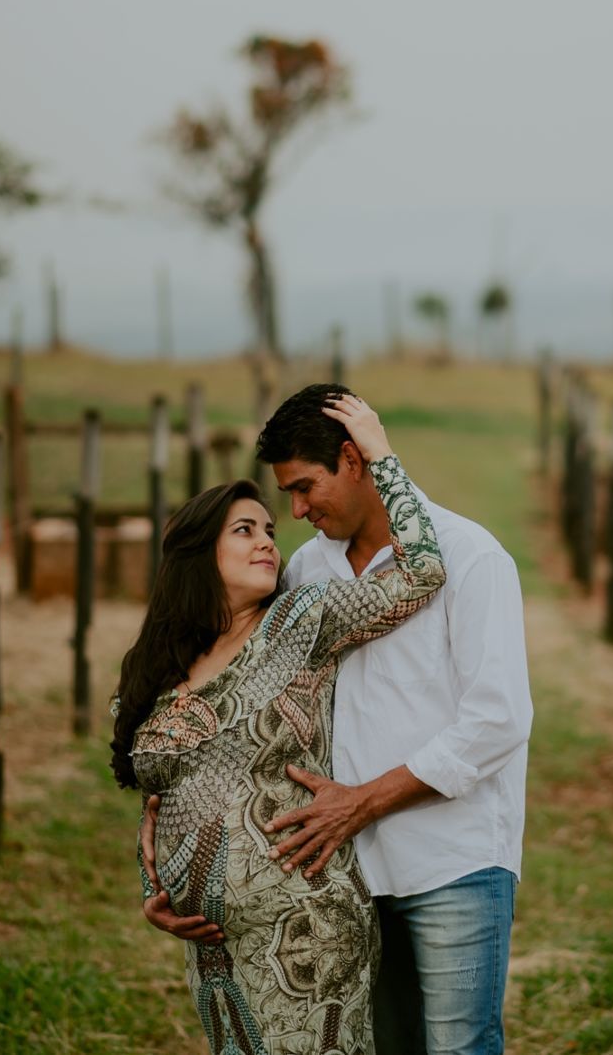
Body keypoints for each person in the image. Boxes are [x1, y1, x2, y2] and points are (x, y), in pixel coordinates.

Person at [112, 394, 443, 1054]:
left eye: (269, 529)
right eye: (245, 530)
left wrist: (379, 455)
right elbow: (156, 794)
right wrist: (156, 888)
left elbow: (423, 571)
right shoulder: (158, 667)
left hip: (305, 929)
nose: (268, 539)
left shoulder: (300, 621)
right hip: (213, 950)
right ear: (197, 552)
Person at [254, 383, 532, 1055]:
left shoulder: (470, 556)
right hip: (346, 875)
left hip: (455, 862)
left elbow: (497, 720)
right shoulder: (307, 569)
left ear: (354, 461)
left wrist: (362, 802)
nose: (296, 511)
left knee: (459, 1048)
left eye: (304, 487)